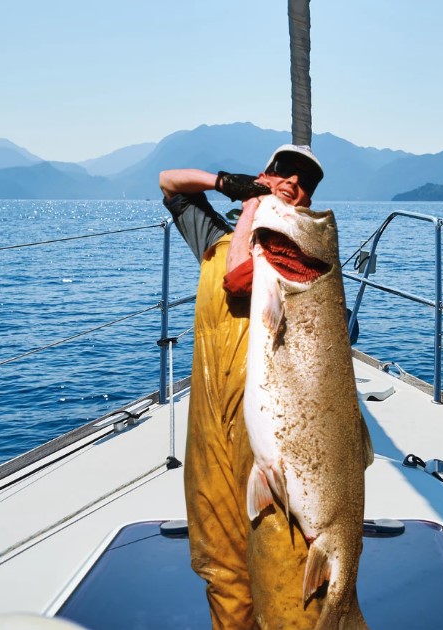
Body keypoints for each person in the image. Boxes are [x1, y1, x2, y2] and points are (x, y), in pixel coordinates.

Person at [159, 144, 325, 629]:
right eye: (283, 172)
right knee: (220, 560)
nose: (293, 182)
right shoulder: (215, 239)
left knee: (285, 561)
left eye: (305, 183)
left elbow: (246, 285)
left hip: (270, 428)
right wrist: (226, 184)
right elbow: (169, 181)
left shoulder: (302, 258)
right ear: (263, 174)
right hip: (209, 423)